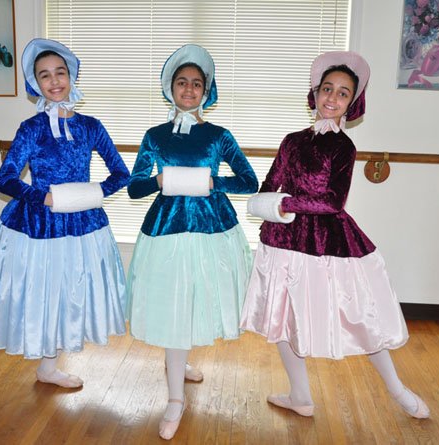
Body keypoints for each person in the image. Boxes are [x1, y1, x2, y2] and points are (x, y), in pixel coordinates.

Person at [240, 51, 430, 419]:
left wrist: (286, 204)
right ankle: (300, 396)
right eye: (327, 88)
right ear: (315, 92)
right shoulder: (292, 140)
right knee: (281, 321)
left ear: (352, 103)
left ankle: (398, 390)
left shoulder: (343, 146)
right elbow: (269, 182)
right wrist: (265, 204)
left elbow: (332, 202)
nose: (332, 97)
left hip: (328, 244)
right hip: (282, 242)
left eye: (342, 93)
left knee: (360, 317)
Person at [0, 38, 130, 388]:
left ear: (71, 76)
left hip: (81, 223)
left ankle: (48, 367)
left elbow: (121, 173)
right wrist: (41, 198)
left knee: (63, 295)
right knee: (5, 287)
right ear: (36, 84)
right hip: (33, 221)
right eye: (45, 75)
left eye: (60, 72)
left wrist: (91, 193)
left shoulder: (91, 126)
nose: (55, 80)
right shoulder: (32, 128)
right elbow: (6, 178)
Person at [126, 44, 258, 440]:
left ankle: (179, 363)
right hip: (166, 229)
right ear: (170, 88)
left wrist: (211, 183)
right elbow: (134, 188)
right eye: (181, 82)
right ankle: (174, 399)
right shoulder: (154, 135)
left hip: (212, 228)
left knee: (196, 297)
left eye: (196, 83)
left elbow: (249, 181)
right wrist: (159, 181)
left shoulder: (219, 136)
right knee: (172, 304)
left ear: (206, 91)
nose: (188, 89)